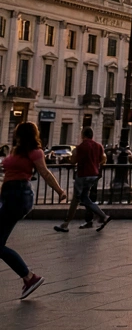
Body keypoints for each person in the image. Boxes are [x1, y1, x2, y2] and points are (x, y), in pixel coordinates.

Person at [2, 122, 66, 299]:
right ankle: (28, 277)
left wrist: (59, 191)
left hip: (19, 196)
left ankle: (29, 277)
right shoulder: (15, 150)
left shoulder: (35, 152)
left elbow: (45, 173)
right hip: (8, 195)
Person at [54, 127, 109, 233]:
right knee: (85, 198)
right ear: (92, 135)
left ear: (83, 135)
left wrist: (69, 159)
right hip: (94, 175)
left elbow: (73, 161)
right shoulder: (99, 146)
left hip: (83, 174)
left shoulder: (80, 147)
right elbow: (103, 160)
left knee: (76, 199)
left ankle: (66, 224)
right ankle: (103, 216)